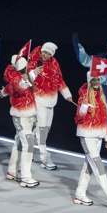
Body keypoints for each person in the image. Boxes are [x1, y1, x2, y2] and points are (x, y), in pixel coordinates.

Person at [73, 72, 107, 209]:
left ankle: (79, 194)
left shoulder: (101, 98)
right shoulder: (84, 96)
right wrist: (83, 107)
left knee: (89, 166)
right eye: (93, 80)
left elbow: (104, 120)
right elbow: (78, 119)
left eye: (98, 80)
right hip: (87, 136)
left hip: (98, 137)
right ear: (89, 81)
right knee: (98, 166)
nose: (96, 82)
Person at [27, 42, 73, 170]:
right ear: (41, 51)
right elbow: (26, 80)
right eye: (44, 52)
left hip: (51, 102)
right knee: (42, 130)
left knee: (45, 129)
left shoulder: (54, 63)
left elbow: (59, 79)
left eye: (49, 53)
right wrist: (35, 72)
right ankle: (44, 159)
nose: (46, 55)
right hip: (39, 99)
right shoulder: (34, 61)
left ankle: (26, 147)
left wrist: (66, 94)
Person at [73, 32, 107, 130]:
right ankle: (102, 144)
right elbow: (85, 61)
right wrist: (78, 45)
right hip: (102, 93)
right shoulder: (103, 58)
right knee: (100, 123)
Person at [1, 55, 40, 188]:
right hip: (21, 117)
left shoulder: (22, 75)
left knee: (19, 143)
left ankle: (12, 171)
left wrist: (3, 93)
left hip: (29, 115)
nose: (27, 67)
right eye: (24, 66)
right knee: (28, 144)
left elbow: (7, 89)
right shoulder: (17, 79)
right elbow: (20, 87)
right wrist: (27, 79)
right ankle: (25, 177)